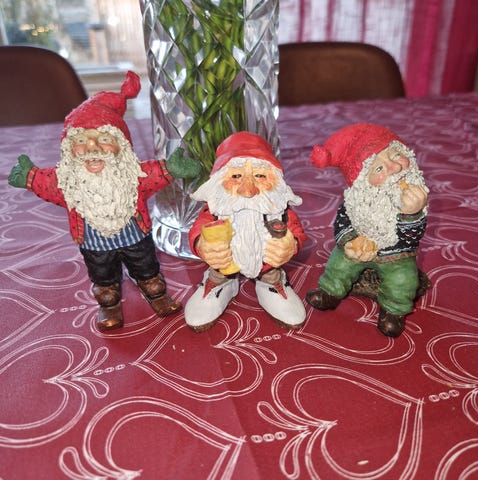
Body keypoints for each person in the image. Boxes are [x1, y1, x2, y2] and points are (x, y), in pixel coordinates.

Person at [7, 71, 200, 332]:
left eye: (105, 140)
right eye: (81, 141)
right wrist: (30, 177)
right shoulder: (66, 180)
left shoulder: (133, 174)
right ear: (68, 147)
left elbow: (153, 174)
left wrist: (171, 169)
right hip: (94, 244)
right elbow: (47, 183)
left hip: (135, 237)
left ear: (122, 145)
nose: (92, 148)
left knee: (147, 270)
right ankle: (109, 304)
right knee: (104, 278)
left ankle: (155, 293)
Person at [306, 123, 429, 337]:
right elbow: (341, 223)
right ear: (363, 183)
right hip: (359, 249)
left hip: (396, 255)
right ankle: (330, 292)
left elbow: (412, 238)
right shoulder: (356, 202)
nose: (394, 168)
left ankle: (394, 310)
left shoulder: (413, 200)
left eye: (396, 155)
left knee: (403, 279)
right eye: (379, 169)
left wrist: (412, 214)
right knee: (338, 264)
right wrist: (350, 241)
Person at [185, 131, 307, 332]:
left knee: (271, 272)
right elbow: (199, 228)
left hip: (267, 266)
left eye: (259, 176)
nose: (248, 191)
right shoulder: (217, 209)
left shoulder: (278, 209)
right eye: (236, 176)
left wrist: (290, 243)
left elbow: (295, 230)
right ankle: (220, 282)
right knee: (219, 269)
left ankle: (271, 282)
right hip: (224, 265)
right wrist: (202, 244)